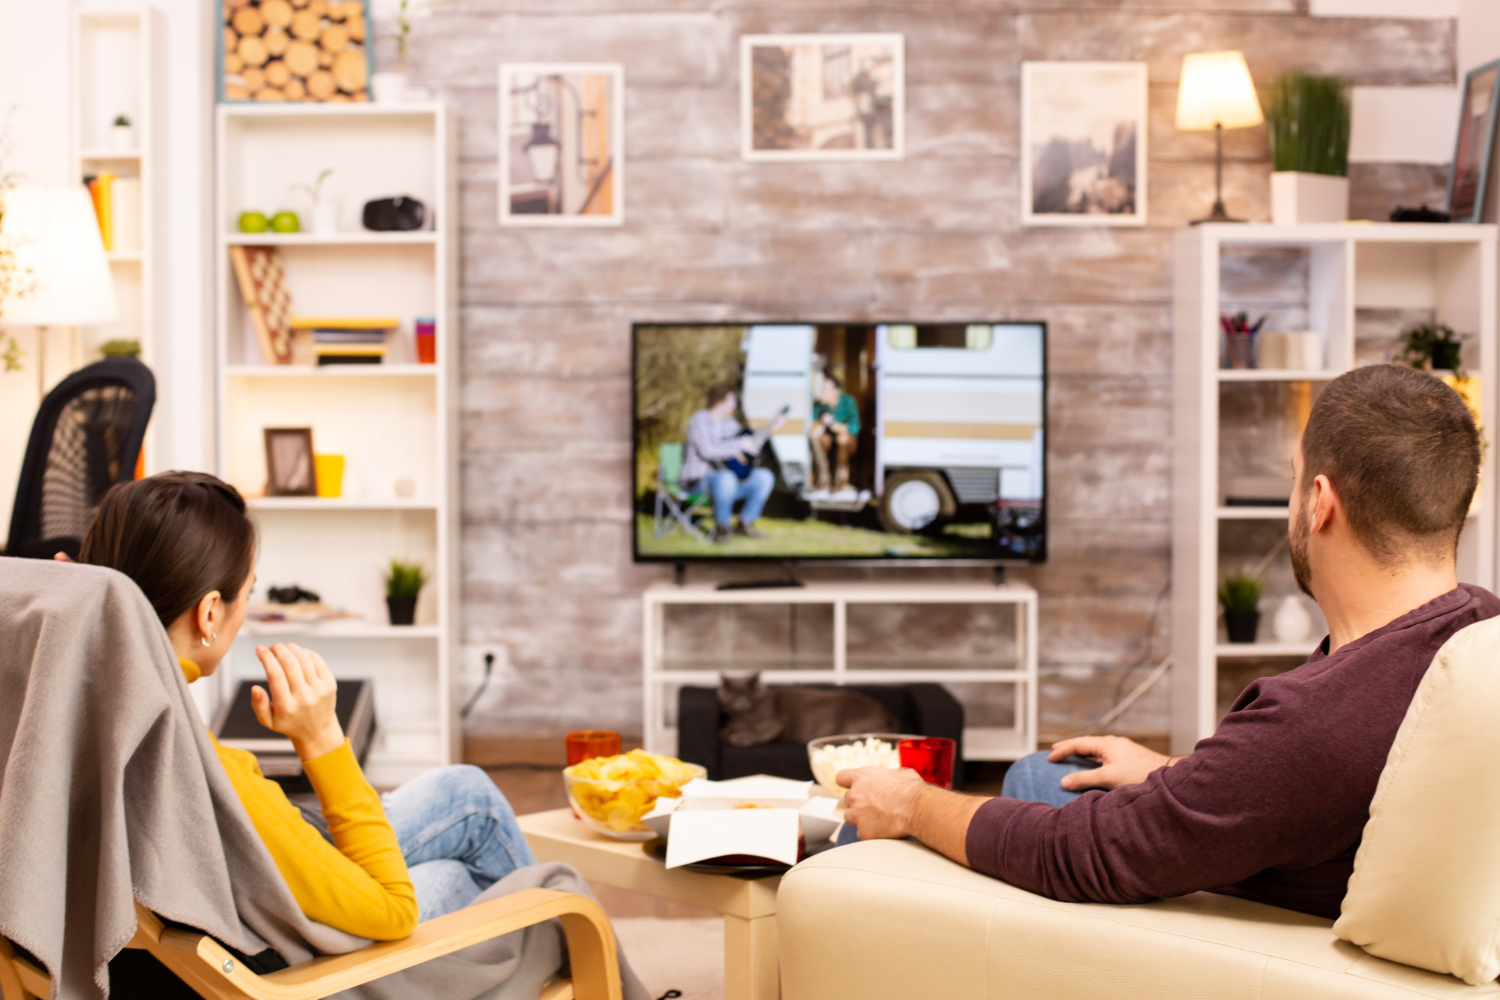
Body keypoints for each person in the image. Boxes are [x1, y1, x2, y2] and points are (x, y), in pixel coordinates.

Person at [836, 364, 1498, 920]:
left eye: (1294, 478)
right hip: (1313, 851)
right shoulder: (1479, 627)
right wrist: (1178, 776)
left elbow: (1080, 854)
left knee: (954, 807)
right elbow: (1291, 788)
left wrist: (909, 802)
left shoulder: (1313, 722)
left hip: (1242, 924)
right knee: (1048, 769)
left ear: (1320, 501)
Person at [77, 472, 538, 939]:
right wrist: (321, 738)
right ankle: (581, 955)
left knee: (465, 791)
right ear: (210, 613)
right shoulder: (211, 771)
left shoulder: (69, 703)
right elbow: (394, 911)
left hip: (214, 922)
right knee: (479, 874)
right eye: (249, 592)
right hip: (310, 972)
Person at [681, 383, 779, 543]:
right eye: (733, 401)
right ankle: (722, 527)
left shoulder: (729, 423)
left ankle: (744, 524)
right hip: (699, 482)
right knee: (725, 477)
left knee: (764, 476)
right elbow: (708, 450)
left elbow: (749, 443)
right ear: (723, 401)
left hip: (728, 484)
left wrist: (769, 428)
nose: (735, 405)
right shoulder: (699, 420)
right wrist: (739, 444)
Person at [808, 373, 861, 494]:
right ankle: (823, 478)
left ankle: (840, 481)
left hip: (844, 438)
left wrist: (836, 426)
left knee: (842, 439)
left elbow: (855, 426)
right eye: (821, 389)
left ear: (836, 391)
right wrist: (821, 423)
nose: (822, 392)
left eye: (825, 389)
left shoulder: (848, 402)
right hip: (827, 438)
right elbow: (811, 421)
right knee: (814, 434)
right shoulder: (821, 405)